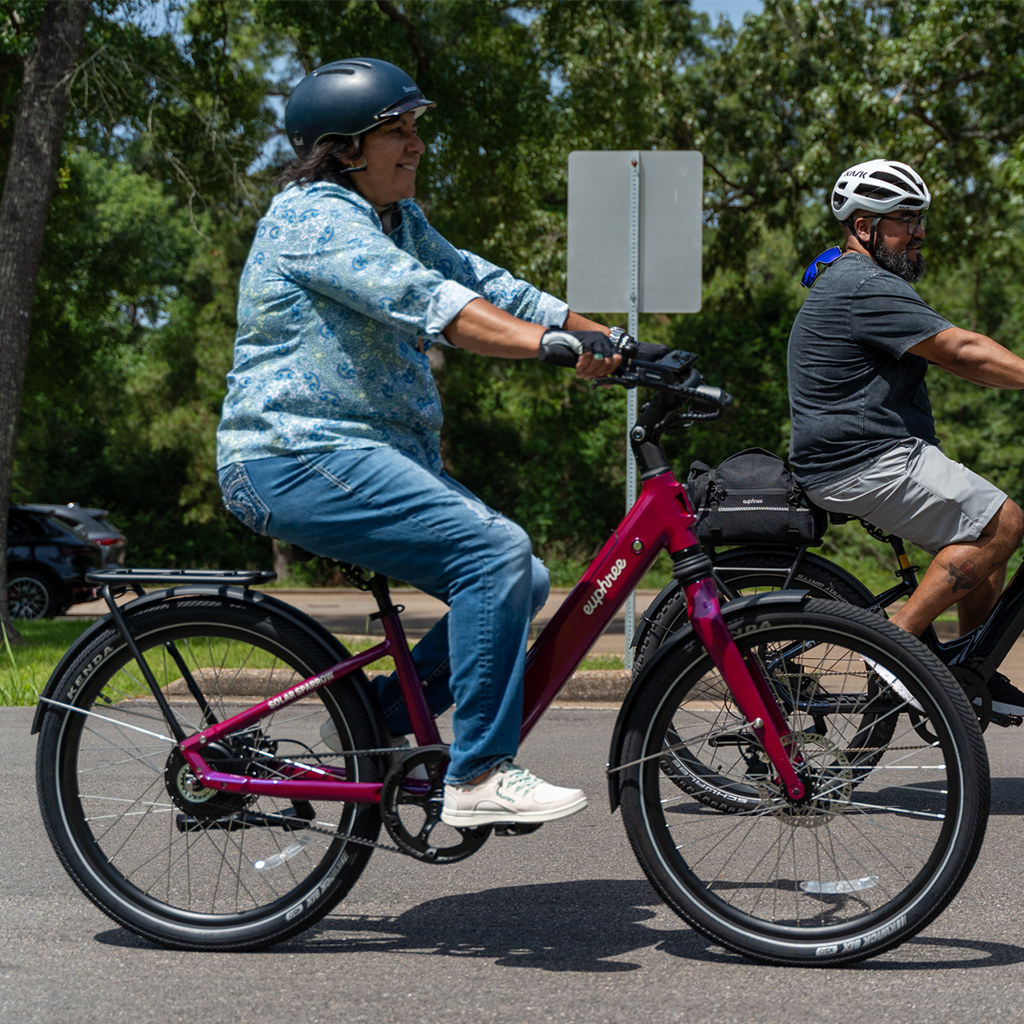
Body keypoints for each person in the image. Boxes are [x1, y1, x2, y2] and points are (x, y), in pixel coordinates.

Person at [216, 58, 656, 826]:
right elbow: (432, 302)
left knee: (519, 572)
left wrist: (609, 339)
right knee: (493, 552)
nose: (417, 145)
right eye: (399, 130)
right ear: (344, 148)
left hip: (359, 456)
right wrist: (545, 346)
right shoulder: (312, 215)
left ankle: (379, 720)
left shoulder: (398, 221)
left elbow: (489, 285)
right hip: (292, 452)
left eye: (417, 129)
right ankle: (479, 774)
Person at [788, 158, 1024, 717]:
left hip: (865, 456)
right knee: (1005, 522)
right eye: (905, 221)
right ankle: (894, 652)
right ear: (865, 226)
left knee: (986, 552)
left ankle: (974, 671)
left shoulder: (861, 280)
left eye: (920, 220)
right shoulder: (864, 283)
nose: (918, 233)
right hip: (862, 459)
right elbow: (962, 350)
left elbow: (961, 365)